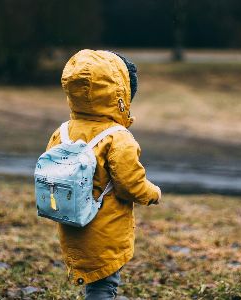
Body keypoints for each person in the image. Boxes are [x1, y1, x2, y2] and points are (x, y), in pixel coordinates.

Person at [46, 49, 161, 299]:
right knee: (104, 285)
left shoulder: (62, 132)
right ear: (119, 95)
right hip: (104, 229)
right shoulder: (118, 138)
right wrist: (153, 193)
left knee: (95, 282)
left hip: (72, 223)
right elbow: (130, 183)